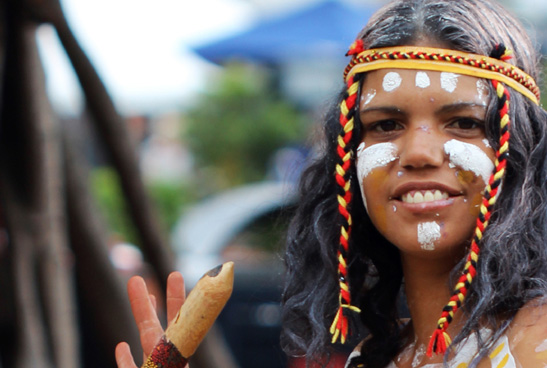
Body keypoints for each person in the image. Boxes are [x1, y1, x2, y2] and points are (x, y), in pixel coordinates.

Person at [116, 0, 547, 367]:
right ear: (346, 158)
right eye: (386, 125)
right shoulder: (372, 356)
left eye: (464, 123)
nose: (418, 152)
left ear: (524, 153)